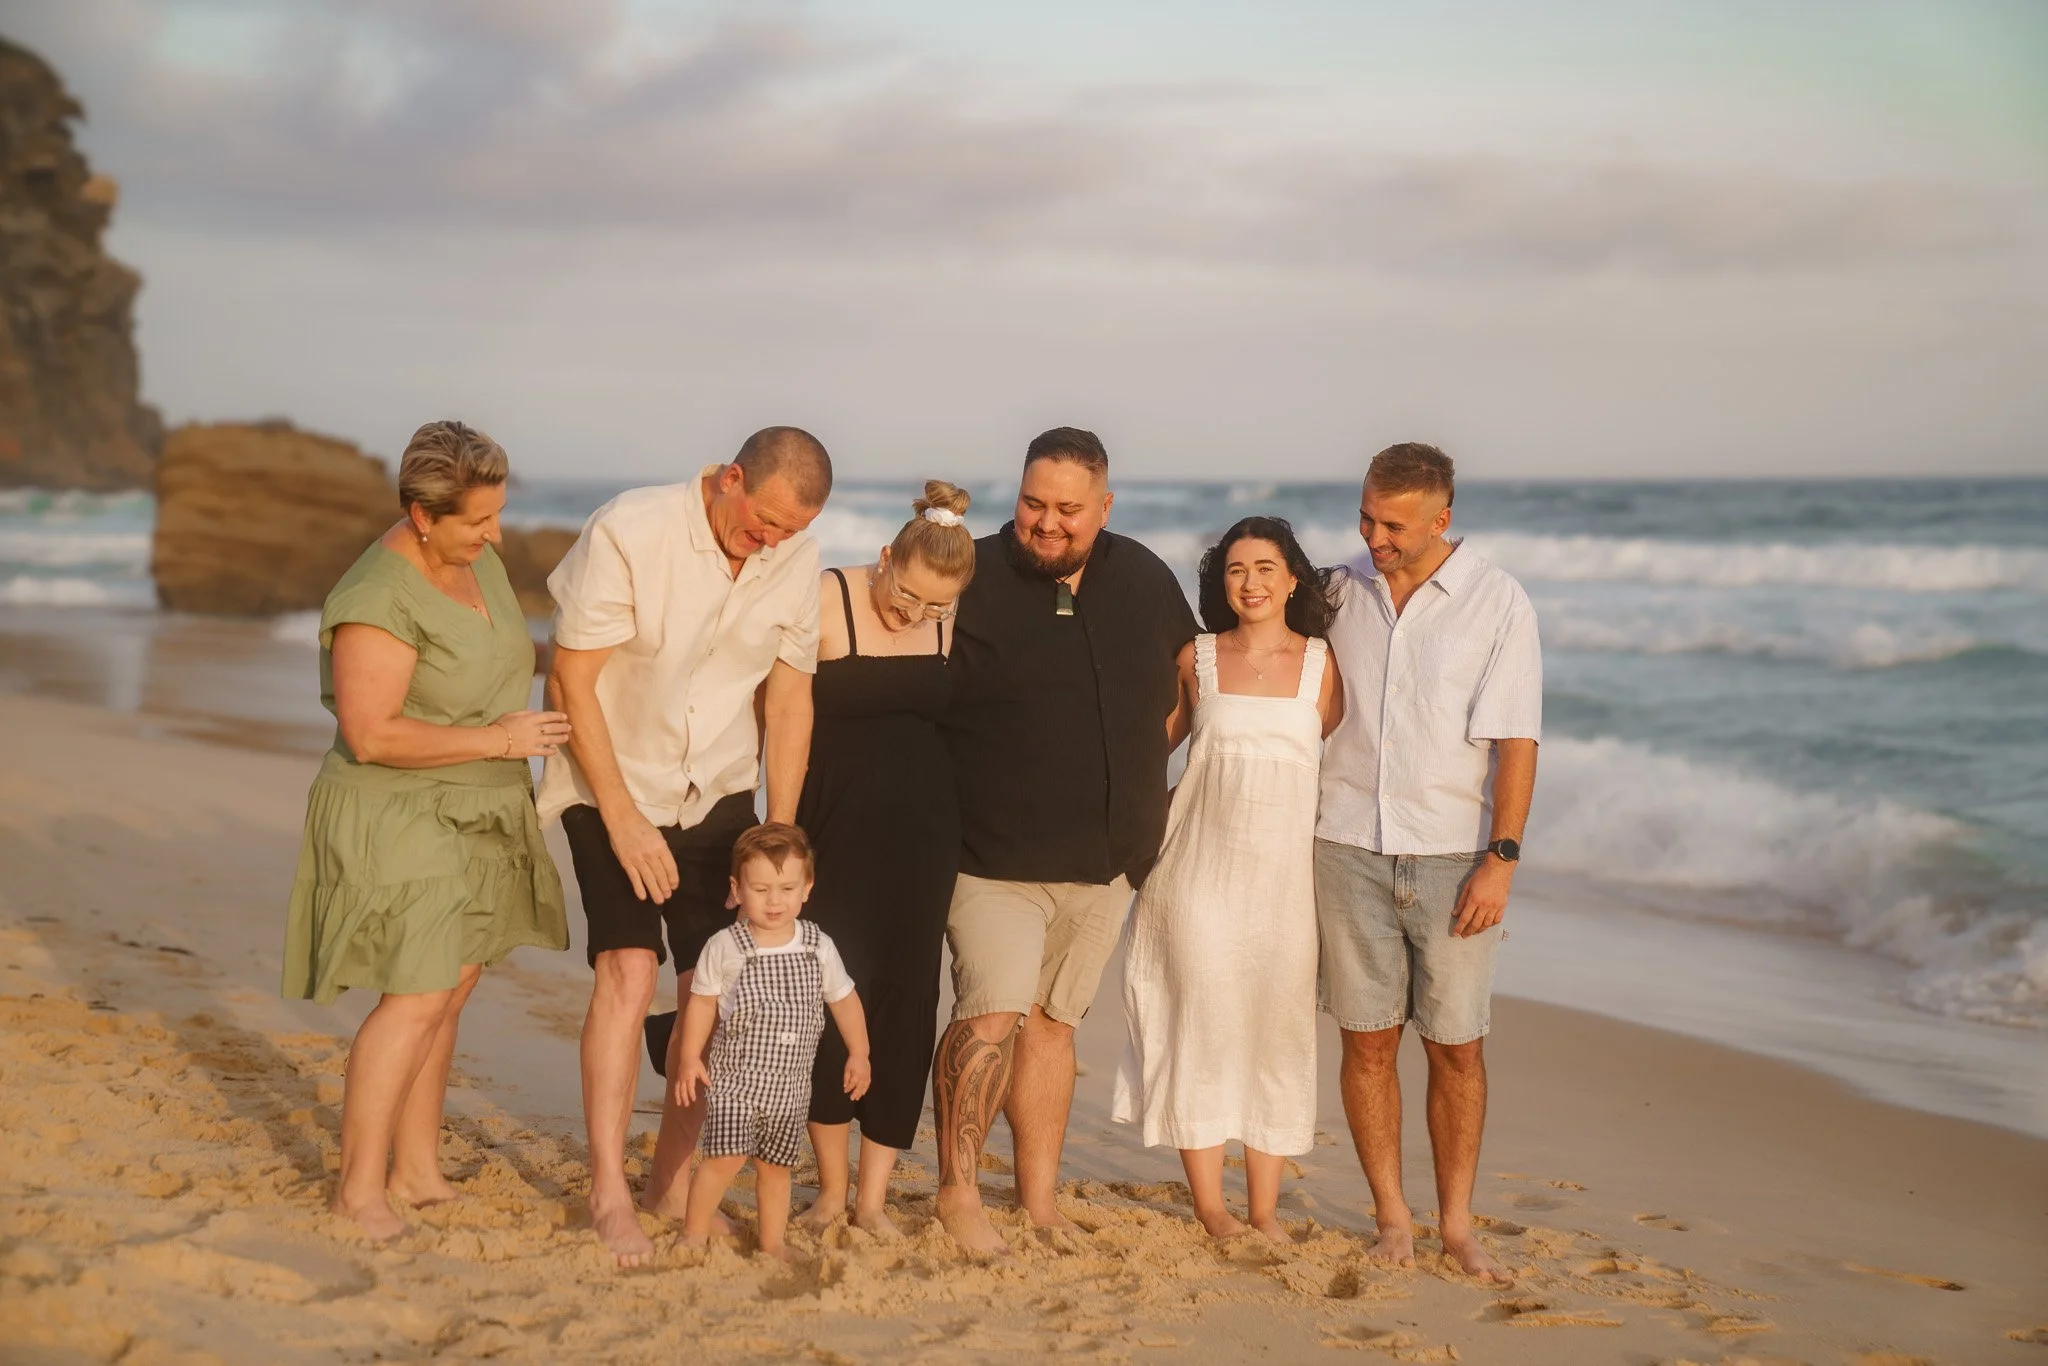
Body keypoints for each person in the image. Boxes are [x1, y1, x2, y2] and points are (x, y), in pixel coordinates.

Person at [644, 479, 978, 1238]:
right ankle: (829, 1190)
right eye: (907, 595)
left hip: (925, 839)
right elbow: (780, 710)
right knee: (818, 1000)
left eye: (936, 607)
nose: (916, 615)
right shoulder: (826, 596)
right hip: (834, 833)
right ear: (885, 557)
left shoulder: (942, 617)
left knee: (906, 1004)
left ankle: (871, 1200)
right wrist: (781, 829)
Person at [541, 427, 831, 1267]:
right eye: (764, 521)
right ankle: (607, 1189)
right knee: (629, 972)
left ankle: (670, 1183)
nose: (771, 541)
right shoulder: (630, 530)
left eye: (789, 531)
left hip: (718, 786)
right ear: (731, 480)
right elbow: (571, 679)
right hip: (610, 780)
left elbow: (788, 701)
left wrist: (785, 831)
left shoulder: (795, 555)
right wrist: (625, 817)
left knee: (725, 985)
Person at [284, 420, 570, 1242]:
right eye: (477, 521)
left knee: (448, 989)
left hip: (481, 803)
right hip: (400, 804)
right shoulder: (378, 596)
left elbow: (507, 653)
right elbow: (372, 733)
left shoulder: (473, 557)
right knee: (412, 996)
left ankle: (414, 1170)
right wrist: (500, 739)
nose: (495, 532)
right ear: (420, 513)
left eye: (498, 513)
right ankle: (357, 1191)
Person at [933, 427, 1198, 1256]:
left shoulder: (1145, 575)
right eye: (1033, 503)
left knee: (1051, 1026)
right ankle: (957, 1193)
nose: (1048, 524)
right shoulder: (966, 570)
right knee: (991, 1015)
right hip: (989, 854)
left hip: (1107, 859)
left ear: (1104, 508)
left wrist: (1149, 756)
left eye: (1069, 510)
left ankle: (1038, 1203)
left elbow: (1190, 679)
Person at [1315, 442, 1541, 1285]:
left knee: (1456, 1049)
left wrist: (1502, 860)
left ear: (1442, 520)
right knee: (1366, 1045)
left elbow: (1516, 739)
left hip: (1454, 859)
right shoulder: (1336, 590)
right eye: (1367, 517)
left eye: (1394, 525)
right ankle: (1391, 1220)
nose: (1375, 536)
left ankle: (1456, 1226)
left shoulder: (1497, 602)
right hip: (1344, 847)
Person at [1111, 517, 1343, 1241]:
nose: (1251, 583)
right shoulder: (1198, 657)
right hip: (1198, 876)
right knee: (1201, 1027)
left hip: (1284, 889)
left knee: (1278, 1034)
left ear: (1292, 578)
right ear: (1223, 583)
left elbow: (1337, 763)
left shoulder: (1323, 666)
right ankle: (1213, 1209)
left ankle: (1265, 1211)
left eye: (1266, 568)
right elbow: (1151, 749)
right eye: (1237, 570)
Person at [671, 823, 871, 1261]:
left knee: (776, 1169)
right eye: (761, 889)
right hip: (735, 1083)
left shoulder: (818, 945)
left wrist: (860, 1052)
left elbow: (844, 1000)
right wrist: (689, 1057)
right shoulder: (726, 945)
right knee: (723, 1160)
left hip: (791, 1089)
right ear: (737, 889)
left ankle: (772, 1242)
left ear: (807, 888)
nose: (774, 900)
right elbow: (702, 1005)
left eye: (786, 888)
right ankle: (693, 1231)